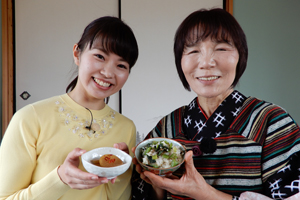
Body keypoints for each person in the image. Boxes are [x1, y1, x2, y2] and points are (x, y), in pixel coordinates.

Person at [131, 8, 300, 200]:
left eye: (221, 49)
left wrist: (205, 194)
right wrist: (157, 182)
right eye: (194, 51)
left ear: (240, 57)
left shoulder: (271, 123)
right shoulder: (166, 129)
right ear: (180, 62)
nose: (206, 62)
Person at [0, 16, 138, 200]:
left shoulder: (126, 127)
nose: (108, 73)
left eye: (121, 65)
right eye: (99, 56)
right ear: (77, 54)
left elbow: (117, 197)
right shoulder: (29, 118)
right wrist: (60, 179)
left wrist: (119, 173)